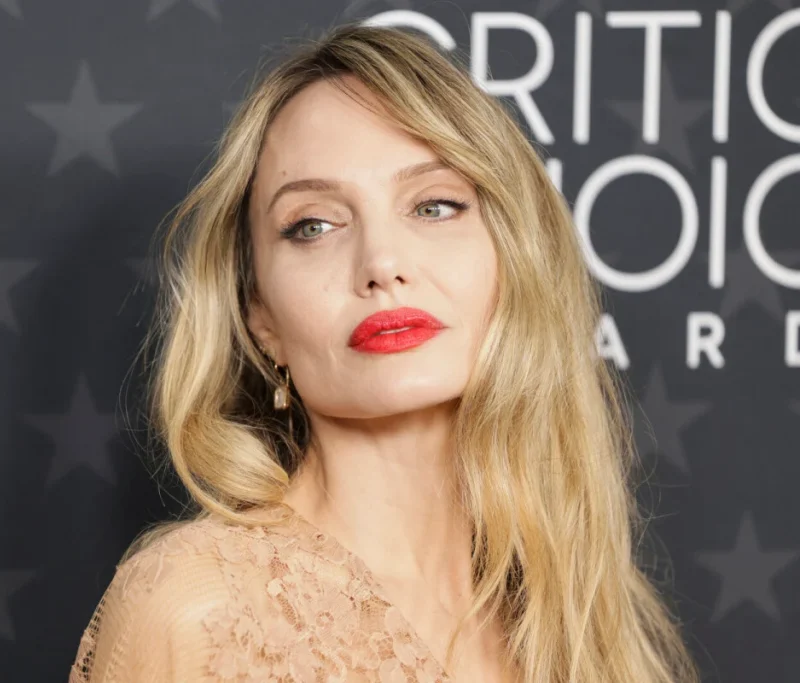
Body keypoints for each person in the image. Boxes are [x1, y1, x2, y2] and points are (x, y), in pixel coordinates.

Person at [68, 22, 701, 683]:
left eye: (434, 206)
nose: (381, 263)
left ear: (514, 253)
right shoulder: (196, 608)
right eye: (313, 225)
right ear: (261, 317)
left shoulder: (571, 606)